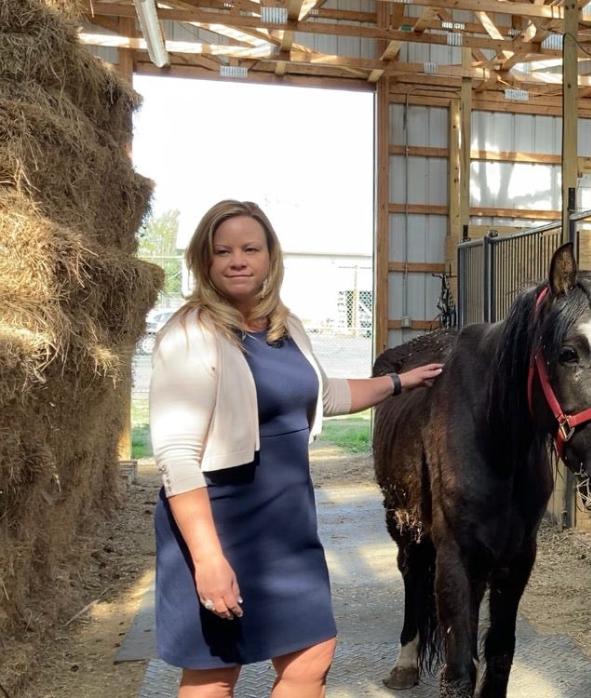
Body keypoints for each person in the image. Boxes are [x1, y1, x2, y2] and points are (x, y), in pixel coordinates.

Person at [149, 200, 442, 697]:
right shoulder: (190, 335)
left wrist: (399, 382)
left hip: (287, 526)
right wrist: (208, 560)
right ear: (205, 261)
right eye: (222, 251)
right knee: (215, 676)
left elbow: (322, 394)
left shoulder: (285, 328)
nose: (237, 260)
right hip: (221, 522)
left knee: (312, 655)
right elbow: (176, 456)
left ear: (269, 258)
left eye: (249, 249)